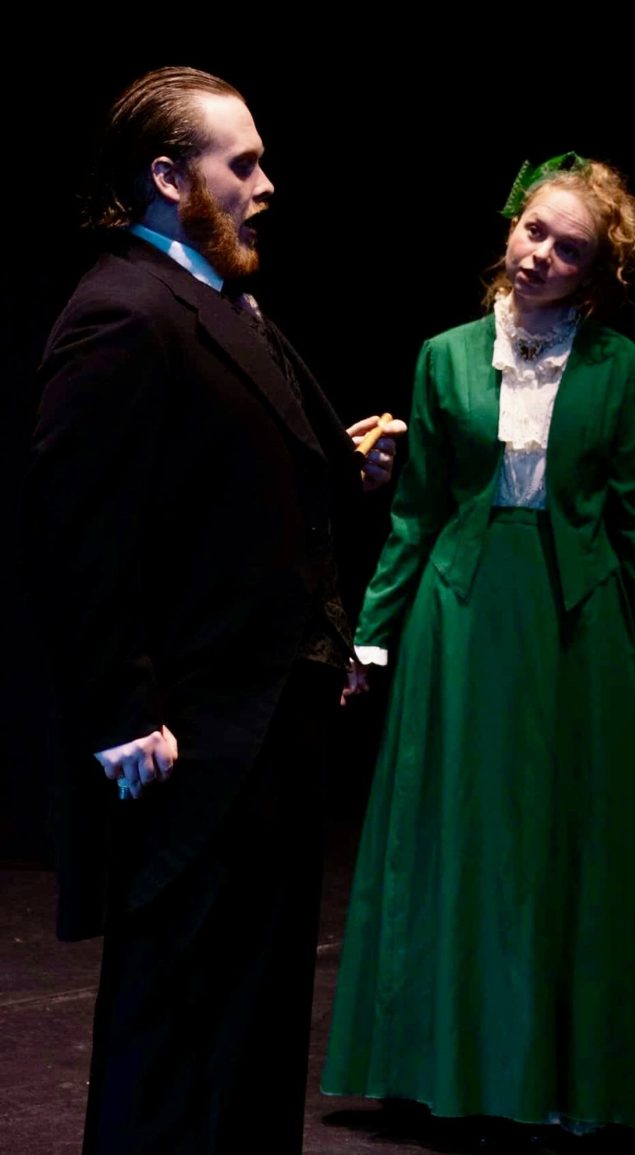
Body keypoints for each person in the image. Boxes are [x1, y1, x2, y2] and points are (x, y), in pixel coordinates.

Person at [21, 65, 405, 1155]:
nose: (265, 184)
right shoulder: (123, 311)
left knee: (250, 1018)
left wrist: (348, 474)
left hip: (265, 728)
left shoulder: (214, 295)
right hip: (197, 739)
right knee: (176, 1024)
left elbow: (229, 486)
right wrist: (121, 713)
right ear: (166, 176)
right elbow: (77, 535)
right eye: (243, 163)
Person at [321, 153, 635, 1151]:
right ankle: (438, 1070)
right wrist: (371, 633)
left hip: (575, 618)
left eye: (568, 248)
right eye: (533, 230)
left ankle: (555, 1072)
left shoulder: (626, 372)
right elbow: (416, 511)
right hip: (460, 616)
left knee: (561, 840)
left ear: (597, 273)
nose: (540, 254)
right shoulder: (445, 355)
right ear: (510, 224)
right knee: (460, 835)